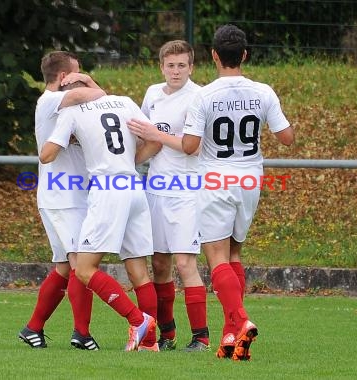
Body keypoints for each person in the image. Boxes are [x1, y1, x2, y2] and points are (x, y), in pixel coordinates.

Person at [182, 24, 295, 361]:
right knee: (234, 256)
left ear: (214, 55)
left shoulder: (204, 95)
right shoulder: (263, 92)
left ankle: (241, 320)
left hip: (216, 179)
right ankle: (229, 335)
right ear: (244, 55)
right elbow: (287, 138)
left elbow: (189, 146)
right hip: (250, 181)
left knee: (216, 257)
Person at [39, 84, 162, 351]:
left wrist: (67, 135)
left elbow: (46, 155)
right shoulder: (125, 101)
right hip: (133, 187)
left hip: (107, 192)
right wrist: (130, 161)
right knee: (139, 270)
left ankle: (137, 320)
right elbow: (154, 140)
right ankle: (149, 343)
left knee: (83, 269)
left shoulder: (71, 111)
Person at [18, 51, 106, 350]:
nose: (81, 77)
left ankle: (33, 328)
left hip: (66, 195)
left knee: (65, 268)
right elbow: (101, 96)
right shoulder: (51, 101)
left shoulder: (64, 106)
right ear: (64, 76)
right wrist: (88, 82)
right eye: (76, 72)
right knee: (80, 263)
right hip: (63, 197)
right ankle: (82, 334)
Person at [127, 40, 210, 352]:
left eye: (182, 65)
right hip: (155, 188)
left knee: (186, 262)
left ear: (191, 67)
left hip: (187, 190)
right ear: (161, 67)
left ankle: (200, 337)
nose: (176, 71)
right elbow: (145, 138)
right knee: (159, 263)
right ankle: (167, 334)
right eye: (170, 65)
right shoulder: (152, 93)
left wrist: (156, 135)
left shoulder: (199, 96)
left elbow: (193, 146)